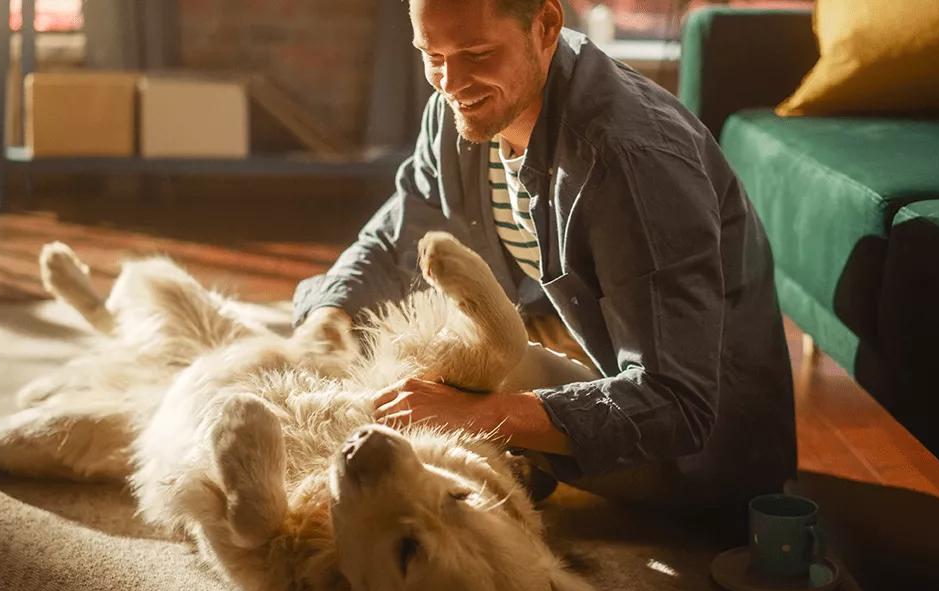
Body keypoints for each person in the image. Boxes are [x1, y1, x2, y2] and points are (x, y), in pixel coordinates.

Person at [291, 0, 795, 515]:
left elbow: (678, 407)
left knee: (446, 361)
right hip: (580, 357)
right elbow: (401, 232)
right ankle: (518, 457)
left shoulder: (633, 161)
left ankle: (513, 452)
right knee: (393, 336)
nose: (450, 82)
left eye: (478, 53)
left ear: (547, 25)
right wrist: (330, 315)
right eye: (432, 54)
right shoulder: (463, 109)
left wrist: (480, 412)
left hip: (695, 459)